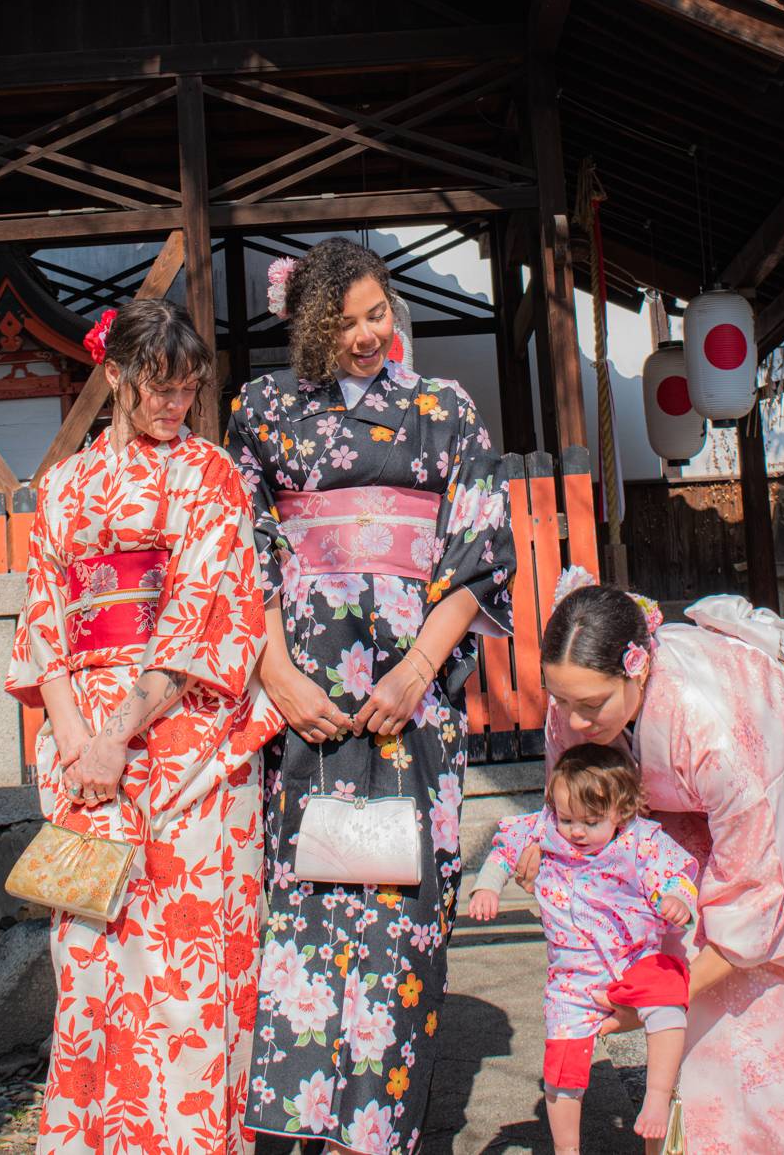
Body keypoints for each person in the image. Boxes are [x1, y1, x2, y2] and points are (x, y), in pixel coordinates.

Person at [224, 237, 515, 1155]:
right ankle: (296, 1121)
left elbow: (480, 554)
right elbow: (245, 550)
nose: (365, 335)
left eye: (376, 313)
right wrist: (276, 674)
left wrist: (417, 671)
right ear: (307, 326)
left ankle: (379, 1126)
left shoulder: (445, 407)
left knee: (402, 903)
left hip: (411, 699)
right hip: (304, 694)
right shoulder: (264, 409)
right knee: (304, 896)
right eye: (343, 322)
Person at [6, 298, 280, 1155]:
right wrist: (78, 740)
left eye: (189, 389)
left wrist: (115, 733)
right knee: (92, 957)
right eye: (159, 388)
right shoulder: (62, 484)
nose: (177, 406)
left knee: (191, 966)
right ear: (115, 375)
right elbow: (45, 624)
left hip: (185, 730)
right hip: (86, 736)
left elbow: (204, 610)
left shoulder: (210, 474)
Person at [519, 569, 784, 1155]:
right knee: (671, 932)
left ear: (636, 668)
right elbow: (579, 814)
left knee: (759, 993)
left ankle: (767, 1138)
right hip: (685, 800)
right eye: (559, 700)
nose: (574, 721)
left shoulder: (713, 726)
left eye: (590, 704)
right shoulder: (578, 706)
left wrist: (657, 998)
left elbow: (758, 893)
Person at [469, 741, 698, 1153]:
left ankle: (658, 1095)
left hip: (635, 959)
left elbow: (677, 876)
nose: (575, 831)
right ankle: (567, 1149)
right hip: (573, 976)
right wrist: (487, 886)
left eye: (591, 822)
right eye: (567, 818)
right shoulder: (546, 829)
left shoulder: (641, 842)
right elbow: (503, 850)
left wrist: (677, 899)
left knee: (668, 998)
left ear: (622, 812)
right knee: (562, 1067)